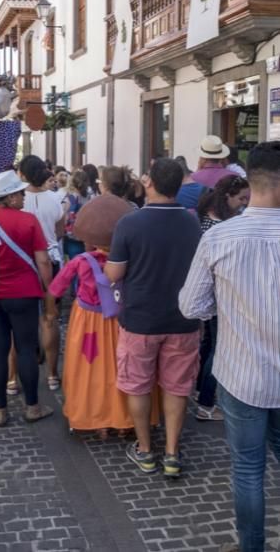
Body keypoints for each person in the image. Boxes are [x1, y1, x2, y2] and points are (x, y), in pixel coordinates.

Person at [179, 141, 280, 552]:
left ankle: (251, 547)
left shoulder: (220, 236)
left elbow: (191, 306)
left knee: (248, 470)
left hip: (242, 375)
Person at [105, 158, 201, 478]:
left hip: (140, 318)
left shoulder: (130, 223)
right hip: (183, 319)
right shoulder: (191, 223)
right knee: (177, 387)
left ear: (149, 183)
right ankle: (172, 453)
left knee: (138, 385)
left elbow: (114, 273)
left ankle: (145, 451)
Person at [46, 193, 159, 436]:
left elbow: (56, 287)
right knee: (124, 369)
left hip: (88, 324)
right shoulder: (130, 260)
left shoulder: (81, 261)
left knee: (90, 370)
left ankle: (96, 418)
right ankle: (126, 419)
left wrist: (50, 310)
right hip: (123, 321)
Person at [0, 170, 53, 426]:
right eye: (20, 193)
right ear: (10, 197)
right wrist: (49, 289)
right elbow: (43, 259)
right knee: (26, 349)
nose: (24, 196)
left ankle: (0, 409)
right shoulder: (29, 221)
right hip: (25, 292)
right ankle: (32, 407)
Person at [193, 175, 250, 422]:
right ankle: (206, 402)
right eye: (241, 199)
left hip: (212, 297)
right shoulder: (218, 228)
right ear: (227, 197)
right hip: (219, 298)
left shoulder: (206, 218)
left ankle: (198, 390)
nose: (245, 204)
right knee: (217, 350)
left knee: (208, 345)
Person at [18, 155, 64, 391]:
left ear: (23, 175)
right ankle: (53, 375)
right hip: (51, 259)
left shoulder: (18, 200)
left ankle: (16, 376)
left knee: (23, 319)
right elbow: (60, 230)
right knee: (49, 317)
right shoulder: (55, 199)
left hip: (24, 262)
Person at [64, 170, 90, 260]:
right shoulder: (91, 198)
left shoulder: (69, 198)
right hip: (88, 238)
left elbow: (64, 219)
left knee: (75, 264)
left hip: (72, 238)